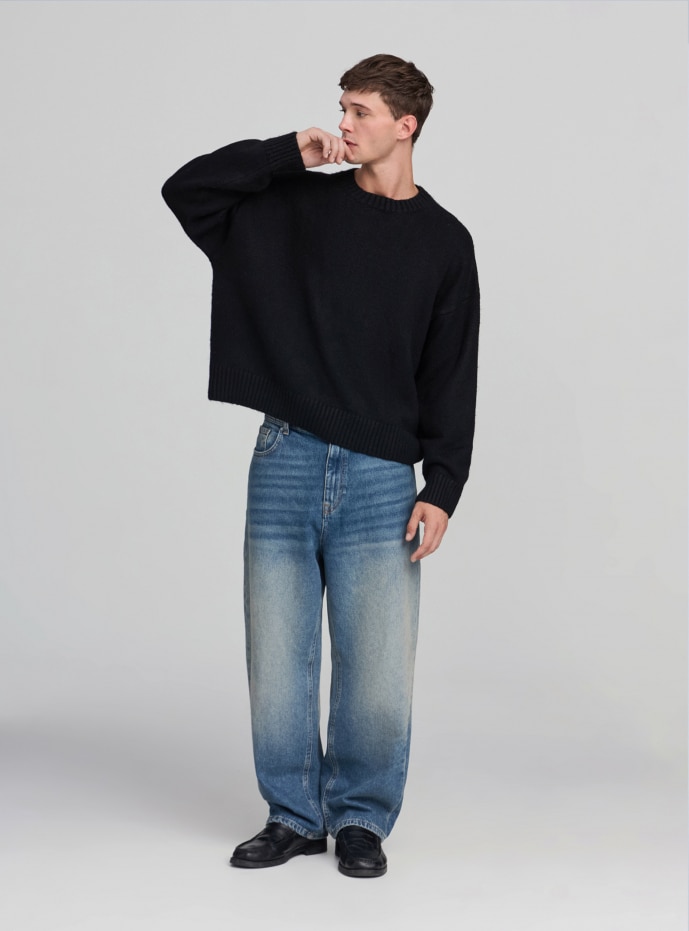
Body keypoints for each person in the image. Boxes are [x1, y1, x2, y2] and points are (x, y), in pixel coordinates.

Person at [161, 53, 480, 878]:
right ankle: (293, 816)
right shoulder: (296, 207)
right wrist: (285, 154)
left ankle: (361, 818)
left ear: (405, 124)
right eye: (341, 107)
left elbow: (451, 370)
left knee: (378, 665)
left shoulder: (445, 243)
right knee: (278, 656)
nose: (343, 123)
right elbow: (187, 190)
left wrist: (443, 485)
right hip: (286, 455)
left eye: (359, 111)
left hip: (382, 475)